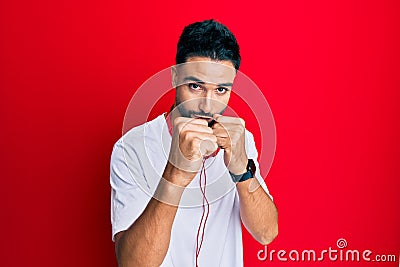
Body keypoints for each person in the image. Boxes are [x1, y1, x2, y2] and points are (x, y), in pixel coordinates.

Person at [110, 19, 278, 267]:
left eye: (221, 90)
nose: (207, 106)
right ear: (175, 77)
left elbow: (266, 233)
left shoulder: (242, 141)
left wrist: (242, 169)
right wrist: (175, 174)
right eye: (195, 86)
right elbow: (133, 264)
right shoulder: (130, 149)